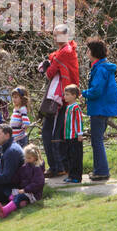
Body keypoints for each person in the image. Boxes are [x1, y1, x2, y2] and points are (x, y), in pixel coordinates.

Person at [37, 24, 79, 178]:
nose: (55, 38)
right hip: (65, 98)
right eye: (54, 35)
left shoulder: (64, 53)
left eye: (59, 35)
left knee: (51, 133)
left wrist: (48, 64)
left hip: (61, 100)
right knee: (56, 132)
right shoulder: (66, 51)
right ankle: (61, 166)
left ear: (66, 35)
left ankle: (58, 167)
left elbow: (49, 73)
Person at [82, 38, 117, 182]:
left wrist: (83, 93)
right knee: (98, 140)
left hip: (99, 108)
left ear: (93, 52)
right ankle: (99, 170)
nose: (86, 52)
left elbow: (96, 90)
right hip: (105, 108)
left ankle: (102, 171)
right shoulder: (103, 67)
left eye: (87, 49)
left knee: (96, 141)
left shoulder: (100, 69)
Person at [0, 144, 46, 217]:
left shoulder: (37, 168)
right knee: (9, 190)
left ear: (35, 158)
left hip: (33, 194)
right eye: (25, 157)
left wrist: (25, 190)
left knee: (19, 196)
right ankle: (20, 203)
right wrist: (9, 179)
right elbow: (18, 176)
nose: (26, 159)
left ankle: (5, 210)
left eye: (29, 158)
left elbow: (38, 183)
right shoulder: (25, 166)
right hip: (24, 190)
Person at [60, 85, 85, 184]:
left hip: (75, 136)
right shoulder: (68, 107)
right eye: (64, 94)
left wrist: (80, 134)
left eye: (67, 95)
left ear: (74, 96)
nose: (65, 97)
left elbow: (79, 121)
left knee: (76, 157)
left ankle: (77, 176)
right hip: (68, 136)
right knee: (69, 156)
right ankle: (71, 175)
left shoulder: (76, 107)